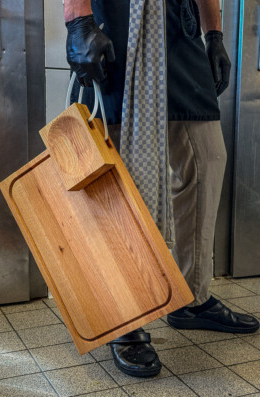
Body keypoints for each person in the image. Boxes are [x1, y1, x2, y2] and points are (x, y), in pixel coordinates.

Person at [64, 0, 259, 378]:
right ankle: (125, 317)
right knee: (121, 170)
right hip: (121, 20)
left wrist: (214, 34)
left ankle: (190, 297)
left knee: (207, 158)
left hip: (180, 27)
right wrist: (77, 20)